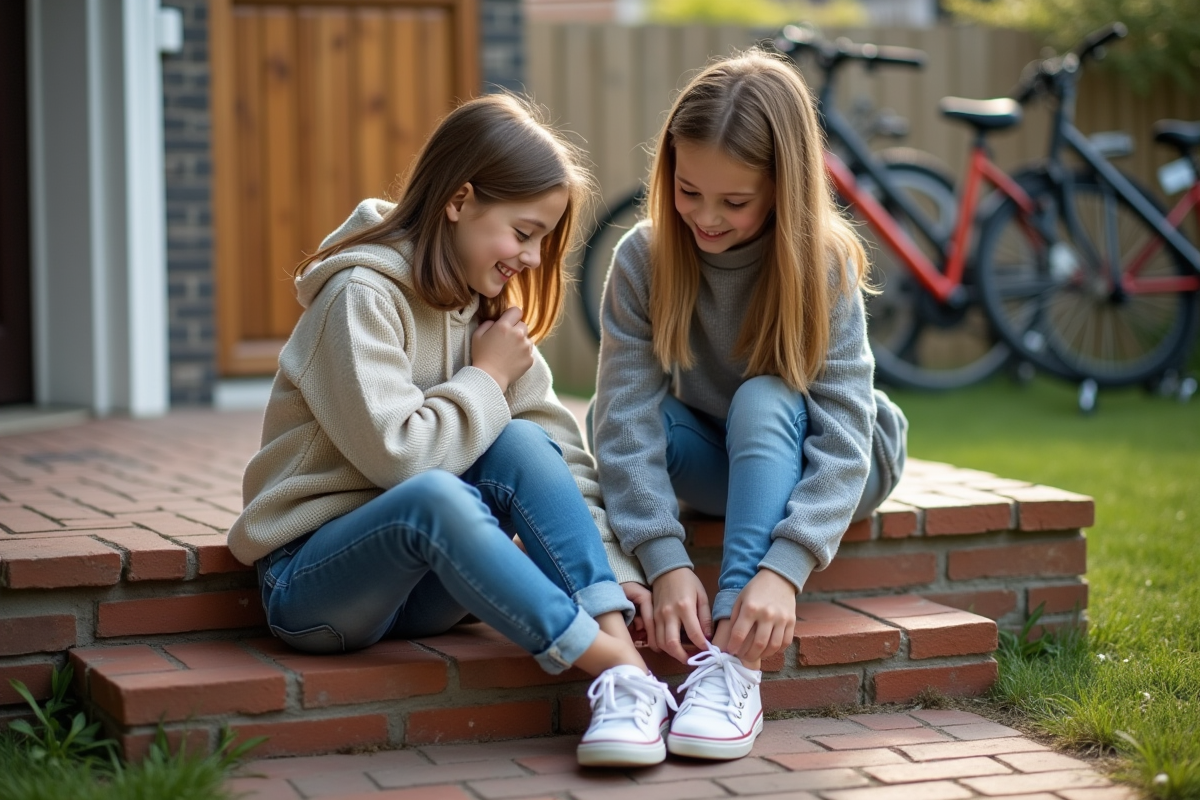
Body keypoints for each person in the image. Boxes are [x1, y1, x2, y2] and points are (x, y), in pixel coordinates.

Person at [226, 93, 677, 768]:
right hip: (318, 588)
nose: (529, 258)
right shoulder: (359, 297)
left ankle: (614, 652)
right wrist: (486, 379)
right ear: (460, 200)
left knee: (524, 441)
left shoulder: (483, 307)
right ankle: (614, 666)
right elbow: (400, 460)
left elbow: (557, 453)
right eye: (523, 233)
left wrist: (612, 573)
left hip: (428, 591)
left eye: (542, 241)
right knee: (435, 497)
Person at [591, 50, 909, 760]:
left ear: (783, 188)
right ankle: (725, 632)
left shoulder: (821, 264)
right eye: (688, 191)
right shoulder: (643, 259)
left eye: (734, 202)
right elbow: (622, 424)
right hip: (730, 455)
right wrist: (665, 561)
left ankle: (737, 661)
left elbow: (845, 433)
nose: (705, 218)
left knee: (764, 398)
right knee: (643, 424)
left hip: (838, 465)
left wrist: (782, 571)